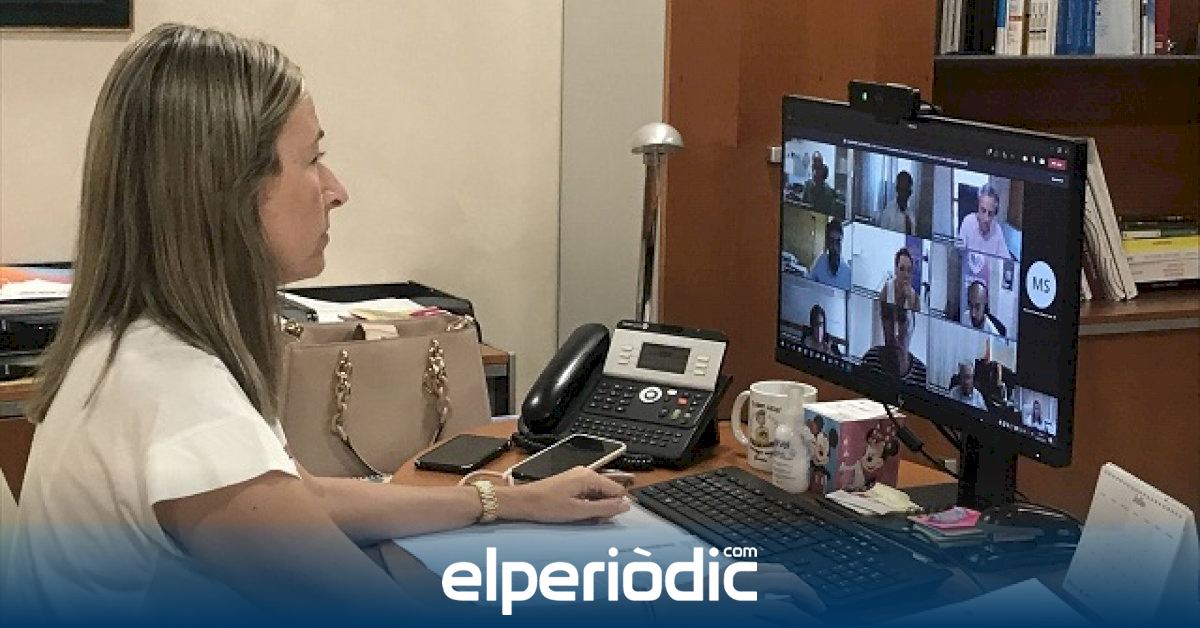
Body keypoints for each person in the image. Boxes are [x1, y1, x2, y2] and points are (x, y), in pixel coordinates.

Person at [2, 24, 635, 624]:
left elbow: (304, 499)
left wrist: (506, 499)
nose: (335, 189)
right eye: (311, 159)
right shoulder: (178, 394)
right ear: (228, 191)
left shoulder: (133, 347)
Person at [858, 298, 926, 387]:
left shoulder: (923, 376)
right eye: (887, 317)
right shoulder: (870, 359)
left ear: (913, 325)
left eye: (902, 319)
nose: (895, 332)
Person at [958, 183, 1012, 258]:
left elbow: (1006, 259)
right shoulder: (968, 222)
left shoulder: (997, 229)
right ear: (977, 207)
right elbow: (958, 254)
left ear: (995, 213)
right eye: (983, 211)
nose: (986, 218)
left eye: (990, 213)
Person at [809, 219, 850, 290]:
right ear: (827, 242)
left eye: (838, 242)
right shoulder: (820, 262)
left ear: (842, 241)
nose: (834, 247)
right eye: (832, 241)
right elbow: (810, 285)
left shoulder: (847, 272)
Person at [880, 247, 921, 312]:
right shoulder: (887, 288)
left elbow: (916, 318)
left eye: (909, 270)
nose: (906, 275)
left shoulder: (915, 298)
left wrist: (910, 301)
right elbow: (878, 313)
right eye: (902, 269)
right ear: (896, 270)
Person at [876, 170, 915, 235]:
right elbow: (881, 235)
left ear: (910, 193)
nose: (903, 194)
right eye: (901, 190)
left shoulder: (911, 216)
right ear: (897, 189)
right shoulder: (888, 211)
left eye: (906, 191)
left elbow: (913, 238)